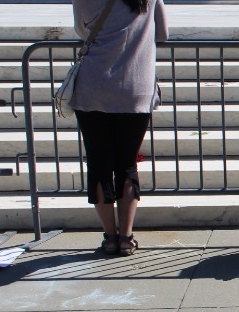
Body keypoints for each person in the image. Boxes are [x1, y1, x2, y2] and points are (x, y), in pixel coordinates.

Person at [71, 0, 168, 256]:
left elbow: (82, 30)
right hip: (136, 89)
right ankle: (126, 237)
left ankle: (110, 237)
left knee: (98, 163)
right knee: (127, 163)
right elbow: (163, 34)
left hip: (94, 87)